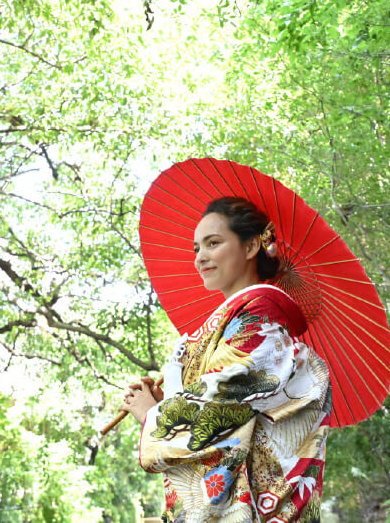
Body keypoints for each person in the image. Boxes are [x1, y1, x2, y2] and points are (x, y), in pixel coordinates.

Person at [120, 196, 332, 523]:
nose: (201, 258)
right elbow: (225, 412)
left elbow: (217, 422)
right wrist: (172, 393)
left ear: (250, 247)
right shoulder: (239, 327)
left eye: (213, 243)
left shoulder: (261, 326)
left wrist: (154, 414)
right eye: (196, 249)